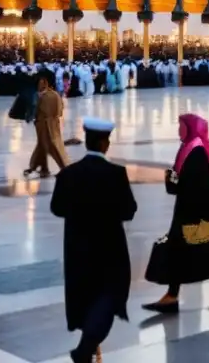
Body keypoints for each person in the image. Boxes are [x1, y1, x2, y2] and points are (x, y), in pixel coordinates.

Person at [50, 117, 137, 363]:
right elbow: (129, 210)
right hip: (110, 249)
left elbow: (57, 208)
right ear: (104, 143)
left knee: (87, 297)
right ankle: (84, 350)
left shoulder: (68, 175)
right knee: (109, 297)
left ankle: (86, 348)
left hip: (78, 249)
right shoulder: (116, 174)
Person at [143, 114, 209, 313]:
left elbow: (197, 183)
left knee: (181, 249)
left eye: (181, 126)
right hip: (196, 209)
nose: (178, 129)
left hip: (196, 211)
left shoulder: (195, 150)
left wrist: (176, 183)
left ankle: (173, 295)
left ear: (190, 127)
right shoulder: (189, 147)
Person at [25, 71, 69, 178]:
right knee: (42, 146)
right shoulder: (54, 94)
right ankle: (42, 168)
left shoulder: (45, 96)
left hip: (46, 125)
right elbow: (60, 110)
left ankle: (65, 168)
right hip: (48, 124)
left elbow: (35, 111)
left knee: (52, 146)